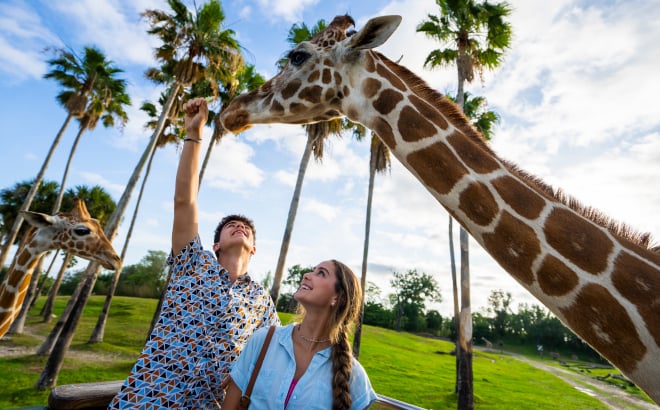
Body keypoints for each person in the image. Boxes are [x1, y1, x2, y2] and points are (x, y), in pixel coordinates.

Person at [110, 98, 280, 408]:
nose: (239, 226)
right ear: (215, 245)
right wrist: (194, 133)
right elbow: (184, 202)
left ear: (253, 248)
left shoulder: (261, 300)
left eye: (246, 227)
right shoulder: (193, 262)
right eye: (231, 225)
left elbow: (273, 354)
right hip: (148, 398)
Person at [222, 260, 377, 410]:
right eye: (312, 270)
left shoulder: (355, 377)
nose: (306, 275)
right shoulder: (263, 340)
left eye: (321, 273)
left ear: (337, 298)